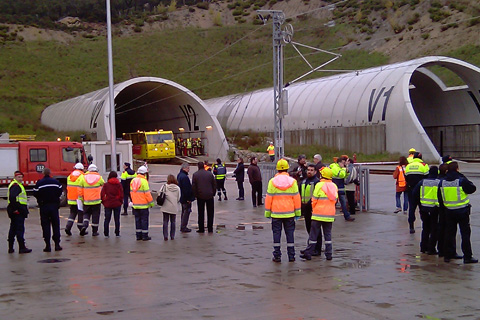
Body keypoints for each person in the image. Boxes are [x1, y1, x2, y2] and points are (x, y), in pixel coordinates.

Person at [439, 162, 478, 264]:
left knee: (449, 233)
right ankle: (467, 256)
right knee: (465, 234)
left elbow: (440, 197)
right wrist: (461, 176)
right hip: (462, 210)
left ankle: (447, 255)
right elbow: (472, 188)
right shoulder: (461, 180)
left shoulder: (442, 182)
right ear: (457, 169)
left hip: (449, 211)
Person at [265, 159, 301, 262]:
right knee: (290, 234)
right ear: (287, 168)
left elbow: (269, 198)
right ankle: (291, 256)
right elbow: (296, 198)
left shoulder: (272, 182)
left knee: (276, 234)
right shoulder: (293, 181)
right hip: (289, 214)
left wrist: (268, 212)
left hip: (276, 214)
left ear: (277, 169)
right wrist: (297, 213)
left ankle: (277, 255)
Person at [300, 167, 338, 261]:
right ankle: (328, 254)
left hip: (318, 214)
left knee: (313, 235)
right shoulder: (334, 186)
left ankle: (308, 253)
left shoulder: (319, 185)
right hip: (329, 215)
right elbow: (335, 200)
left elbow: (314, 199)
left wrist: (313, 209)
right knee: (328, 236)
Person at [33, 168, 63, 252]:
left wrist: (41, 199)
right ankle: (57, 245)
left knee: (45, 226)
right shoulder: (56, 182)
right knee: (56, 225)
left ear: (43, 173)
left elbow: (35, 193)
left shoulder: (39, 183)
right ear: (50, 173)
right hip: (54, 206)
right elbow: (60, 192)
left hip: (44, 206)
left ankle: (47, 245)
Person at [413, 166, 440, 255]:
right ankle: (431, 248)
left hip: (424, 208)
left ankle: (423, 247)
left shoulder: (422, 182)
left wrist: (420, 204)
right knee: (434, 229)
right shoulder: (438, 182)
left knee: (425, 228)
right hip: (435, 209)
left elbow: (414, 193)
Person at [7, 171, 32, 254]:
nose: (20, 179)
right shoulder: (16, 186)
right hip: (18, 211)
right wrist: (15, 209)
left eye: (21, 177)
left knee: (13, 229)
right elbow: (12, 197)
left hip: (15, 210)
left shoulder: (15, 185)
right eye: (19, 177)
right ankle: (22, 247)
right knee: (19, 229)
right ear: (15, 177)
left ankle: (11, 247)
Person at [299, 164, 321, 255]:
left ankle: (317, 249)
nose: (309, 171)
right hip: (305, 210)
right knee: (309, 229)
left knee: (316, 231)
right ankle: (310, 247)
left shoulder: (317, 182)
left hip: (314, 209)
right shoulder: (303, 181)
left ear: (315, 172)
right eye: (308, 170)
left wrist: (309, 204)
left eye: (312, 170)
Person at [405, 152, 429, 234]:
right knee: (422, 209)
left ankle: (411, 227)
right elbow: (427, 178)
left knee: (411, 209)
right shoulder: (424, 165)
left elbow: (406, 178)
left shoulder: (408, 166)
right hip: (421, 191)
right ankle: (425, 225)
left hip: (411, 190)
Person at [79, 164, 105, 237]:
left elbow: (80, 188)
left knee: (86, 214)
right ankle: (94, 231)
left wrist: (81, 198)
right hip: (96, 201)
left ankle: (85, 225)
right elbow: (103, 185)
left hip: (87, 201)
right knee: (95, 216)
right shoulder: (99, 177)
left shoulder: (83, 177)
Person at [130, 165, 154, 240]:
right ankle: (145, 235)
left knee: (137, 221)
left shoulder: (133, 181)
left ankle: (138, 235)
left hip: (135, 205)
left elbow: (131, 193)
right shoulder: (144, 181)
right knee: (144, 221)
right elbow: (147, 194)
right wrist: (151, 203)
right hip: (143, 206)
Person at [192, 161, 216, 233]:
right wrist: (213, 193)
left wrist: (195, 195)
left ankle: (201, 228)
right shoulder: (209, 174)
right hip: (209, 195)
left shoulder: (195, 175)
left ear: (198, 166)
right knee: (210, 213)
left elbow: (193, 186)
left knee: (201, 213)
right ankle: (210, 228)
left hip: (200, 196)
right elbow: (214, 184)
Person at [330, 156, 355, 221]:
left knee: (343, 203)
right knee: (333, 204)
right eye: (343, 163)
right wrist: (344, 169)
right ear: (339, 162)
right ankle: (330, 216)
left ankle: (347, 216)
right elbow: (341, 175)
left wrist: (346, 171)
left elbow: (345, 175)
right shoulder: (334, 167)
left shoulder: (341, 168)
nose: (343, 165)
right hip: (335, 188)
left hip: (340, 188)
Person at [101, 171, 123, 238]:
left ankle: (106, 233)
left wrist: (104, 202)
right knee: (117, 219)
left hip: (108, 203)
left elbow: (102, 194)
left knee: (107, 219)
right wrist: (120, 201)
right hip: (117, 203)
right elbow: (121, 194)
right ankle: (117, 233)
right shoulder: (119, 184)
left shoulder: (106, 184)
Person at [65, 163, 85, 236]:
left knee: (72, 213)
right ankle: (81, 227)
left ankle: (68, 227)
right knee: (80, 213)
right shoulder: (82, 176)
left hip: (71, 198)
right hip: (79, 199)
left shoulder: (69, 176)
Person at [160, 174, 181, 240]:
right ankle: (172, 236)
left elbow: (159, 194)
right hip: (173, 207)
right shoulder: (177, 188)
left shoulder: (164, 186)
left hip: (165, 206)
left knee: (165, 221)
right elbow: (178, 198)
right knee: (173, 222)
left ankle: (165, 236)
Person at [177, 163, 195, 233]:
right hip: (185, 198)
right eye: (188, 168)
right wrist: (189, 199)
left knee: (183, 212)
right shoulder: (184, 177)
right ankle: (183, 227)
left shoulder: (179, 175)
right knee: (186, 212)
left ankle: (183, 226)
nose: (189, 169)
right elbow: (186, 189)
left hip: (182, 197)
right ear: (184, 168)